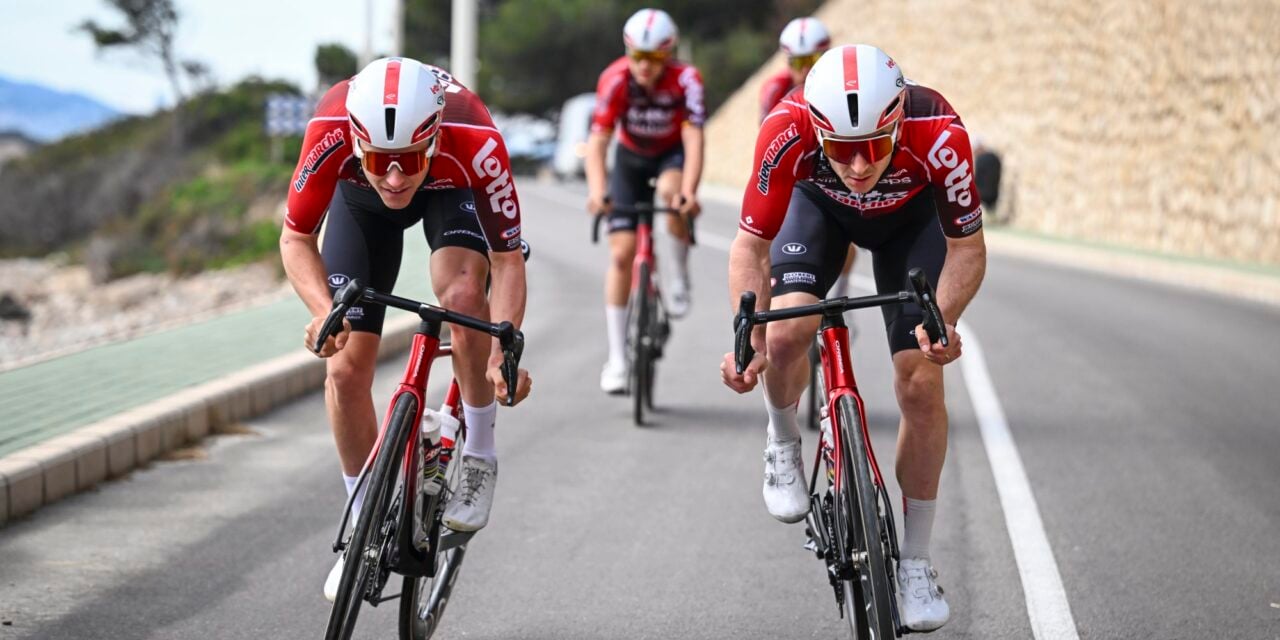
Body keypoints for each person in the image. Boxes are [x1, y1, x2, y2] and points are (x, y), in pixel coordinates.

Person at [720, 45, 986, 632]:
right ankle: (783, 440)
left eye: (875, 144)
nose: (861, 165)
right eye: (841, 149)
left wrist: (941, 318)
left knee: (920, 381)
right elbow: (751, 246)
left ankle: (915, 562)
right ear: (818, 131)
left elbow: (967, 248)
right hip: (819, 212)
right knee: (785, 334)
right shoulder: (785, 128)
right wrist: (749, 340)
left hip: (910, 224)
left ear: (898, 121)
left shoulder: (939, 130)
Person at [279, 57, 532, 601]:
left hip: (450, 190)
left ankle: (480, 455)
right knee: (343, 369)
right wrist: (324, 310)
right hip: (359, 205)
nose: (395, 178)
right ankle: (361, 525)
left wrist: (501, 353)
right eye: (380, 160)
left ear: (434, 137)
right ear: (356, 140)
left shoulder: (474, 136)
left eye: (410, 159)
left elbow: (507, 259)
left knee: (462, 297)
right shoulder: (329, 128)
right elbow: (295, 238)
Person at [585, 8, 706, 394]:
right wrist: (597, 189)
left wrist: (690, 190)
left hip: (670, 156)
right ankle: (617, 359)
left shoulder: (686, 79)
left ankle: (679, 274)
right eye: (637, 56)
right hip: (630, 160)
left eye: (654, 58)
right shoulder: (615, 78)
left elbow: (694, 138)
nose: (644, 66)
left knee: (673, 195)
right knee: (621, 255)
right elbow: (598, 142)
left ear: (668, 54)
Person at [759, 17, 857, 299]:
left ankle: (841, 291)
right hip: (800, 171)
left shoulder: (843, 84)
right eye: (796, 62)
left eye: (812, 61)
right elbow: (767, 144)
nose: (804, 70)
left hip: (838, 167)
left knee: (845, 237)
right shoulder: (774, 89)